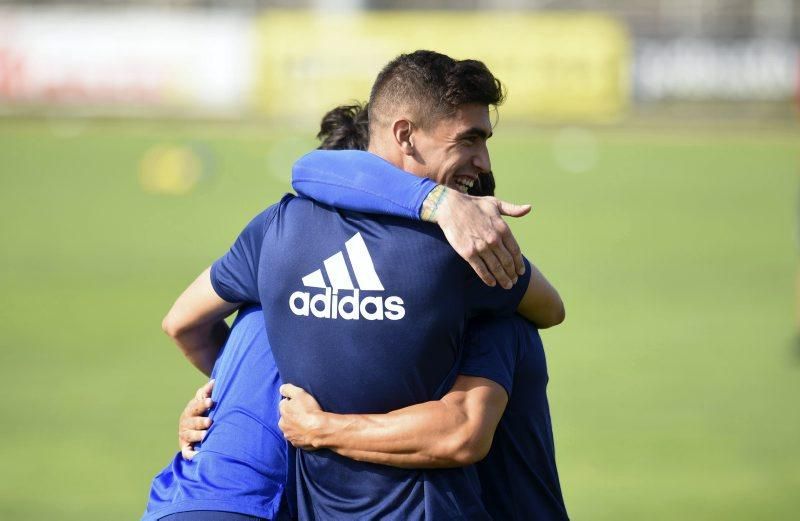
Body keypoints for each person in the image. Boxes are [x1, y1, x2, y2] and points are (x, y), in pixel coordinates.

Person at [160, 50, 564, 519]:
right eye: (469, 139)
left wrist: (233, 401)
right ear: (405, 135)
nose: (482, 159)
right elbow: (551, 310)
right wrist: (444, 206)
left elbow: (181, 323)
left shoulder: (275, 232)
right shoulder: (463, 261)